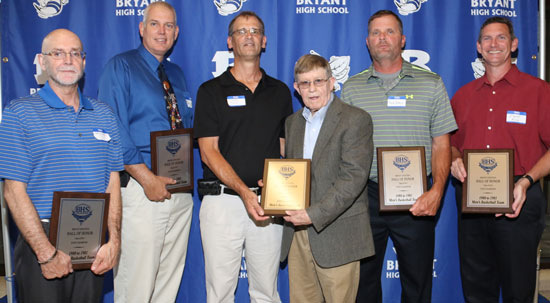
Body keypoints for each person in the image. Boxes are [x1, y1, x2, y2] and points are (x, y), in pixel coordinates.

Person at [341, 10, 457, 302]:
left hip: (417, 196)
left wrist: (437, 191)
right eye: (376, 33)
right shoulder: (352, 89)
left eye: (390, 32)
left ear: (402, 39)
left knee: (417, 281)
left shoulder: (432, 84)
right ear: (367, 41)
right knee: (364, 283)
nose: (383, 38)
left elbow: (442, 144)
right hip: (365, 197)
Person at [0, 29, 123, 303]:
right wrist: (46, 253)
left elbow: (112, 182)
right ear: (43, 62)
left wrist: (114, 241)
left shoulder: (104, 113)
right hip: (41, 240)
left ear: (84, 61)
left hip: (92, 241)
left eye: (75, 53)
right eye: (58, 53)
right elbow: (13, 192)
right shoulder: (18, 113)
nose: (68, 59)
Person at [97, 2, 194, 302]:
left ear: (176, 33)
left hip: (179, 192)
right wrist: (147, 178)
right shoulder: (120, 66)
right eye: (155, 24)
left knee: (167, 282)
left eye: (168, 26)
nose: (161, 31)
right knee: (135, 285)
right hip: (141, 190)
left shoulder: (176, 74)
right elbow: (112, 130)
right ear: (141, 28)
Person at [193, 11, 293, 303]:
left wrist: (282, 193)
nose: (248, 36)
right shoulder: (210, 91)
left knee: (266, 291)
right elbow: (209, 153)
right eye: (241, 31)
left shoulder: (280, 91)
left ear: (264, 41)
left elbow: (284, 150)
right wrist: (243, 193)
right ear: (229, 41)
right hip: (223, 203)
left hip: (268, 203)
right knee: (220, 292)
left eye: (254, 31)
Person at [450, 16, 550, 303]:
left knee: (518, 289)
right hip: (472, 201)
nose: (494, 44)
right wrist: (455, 158)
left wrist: (527, 181)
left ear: (514, 44)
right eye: (487, 39)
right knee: (477, 288)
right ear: (479, 47)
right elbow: (451, 145)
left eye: (501, 38)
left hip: (520, 197)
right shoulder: (463, 96)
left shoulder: (539, 91)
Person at [281, 54, 374, 303]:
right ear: (296, 88)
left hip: (338, 232)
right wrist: (276, 188)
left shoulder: (356, 119)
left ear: (332, 82)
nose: (312, 89)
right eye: (304, 83)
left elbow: (353, 178)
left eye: (318, 81)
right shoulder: (292, 124)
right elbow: (295, 174)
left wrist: (313, 214)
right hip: (298, 233)